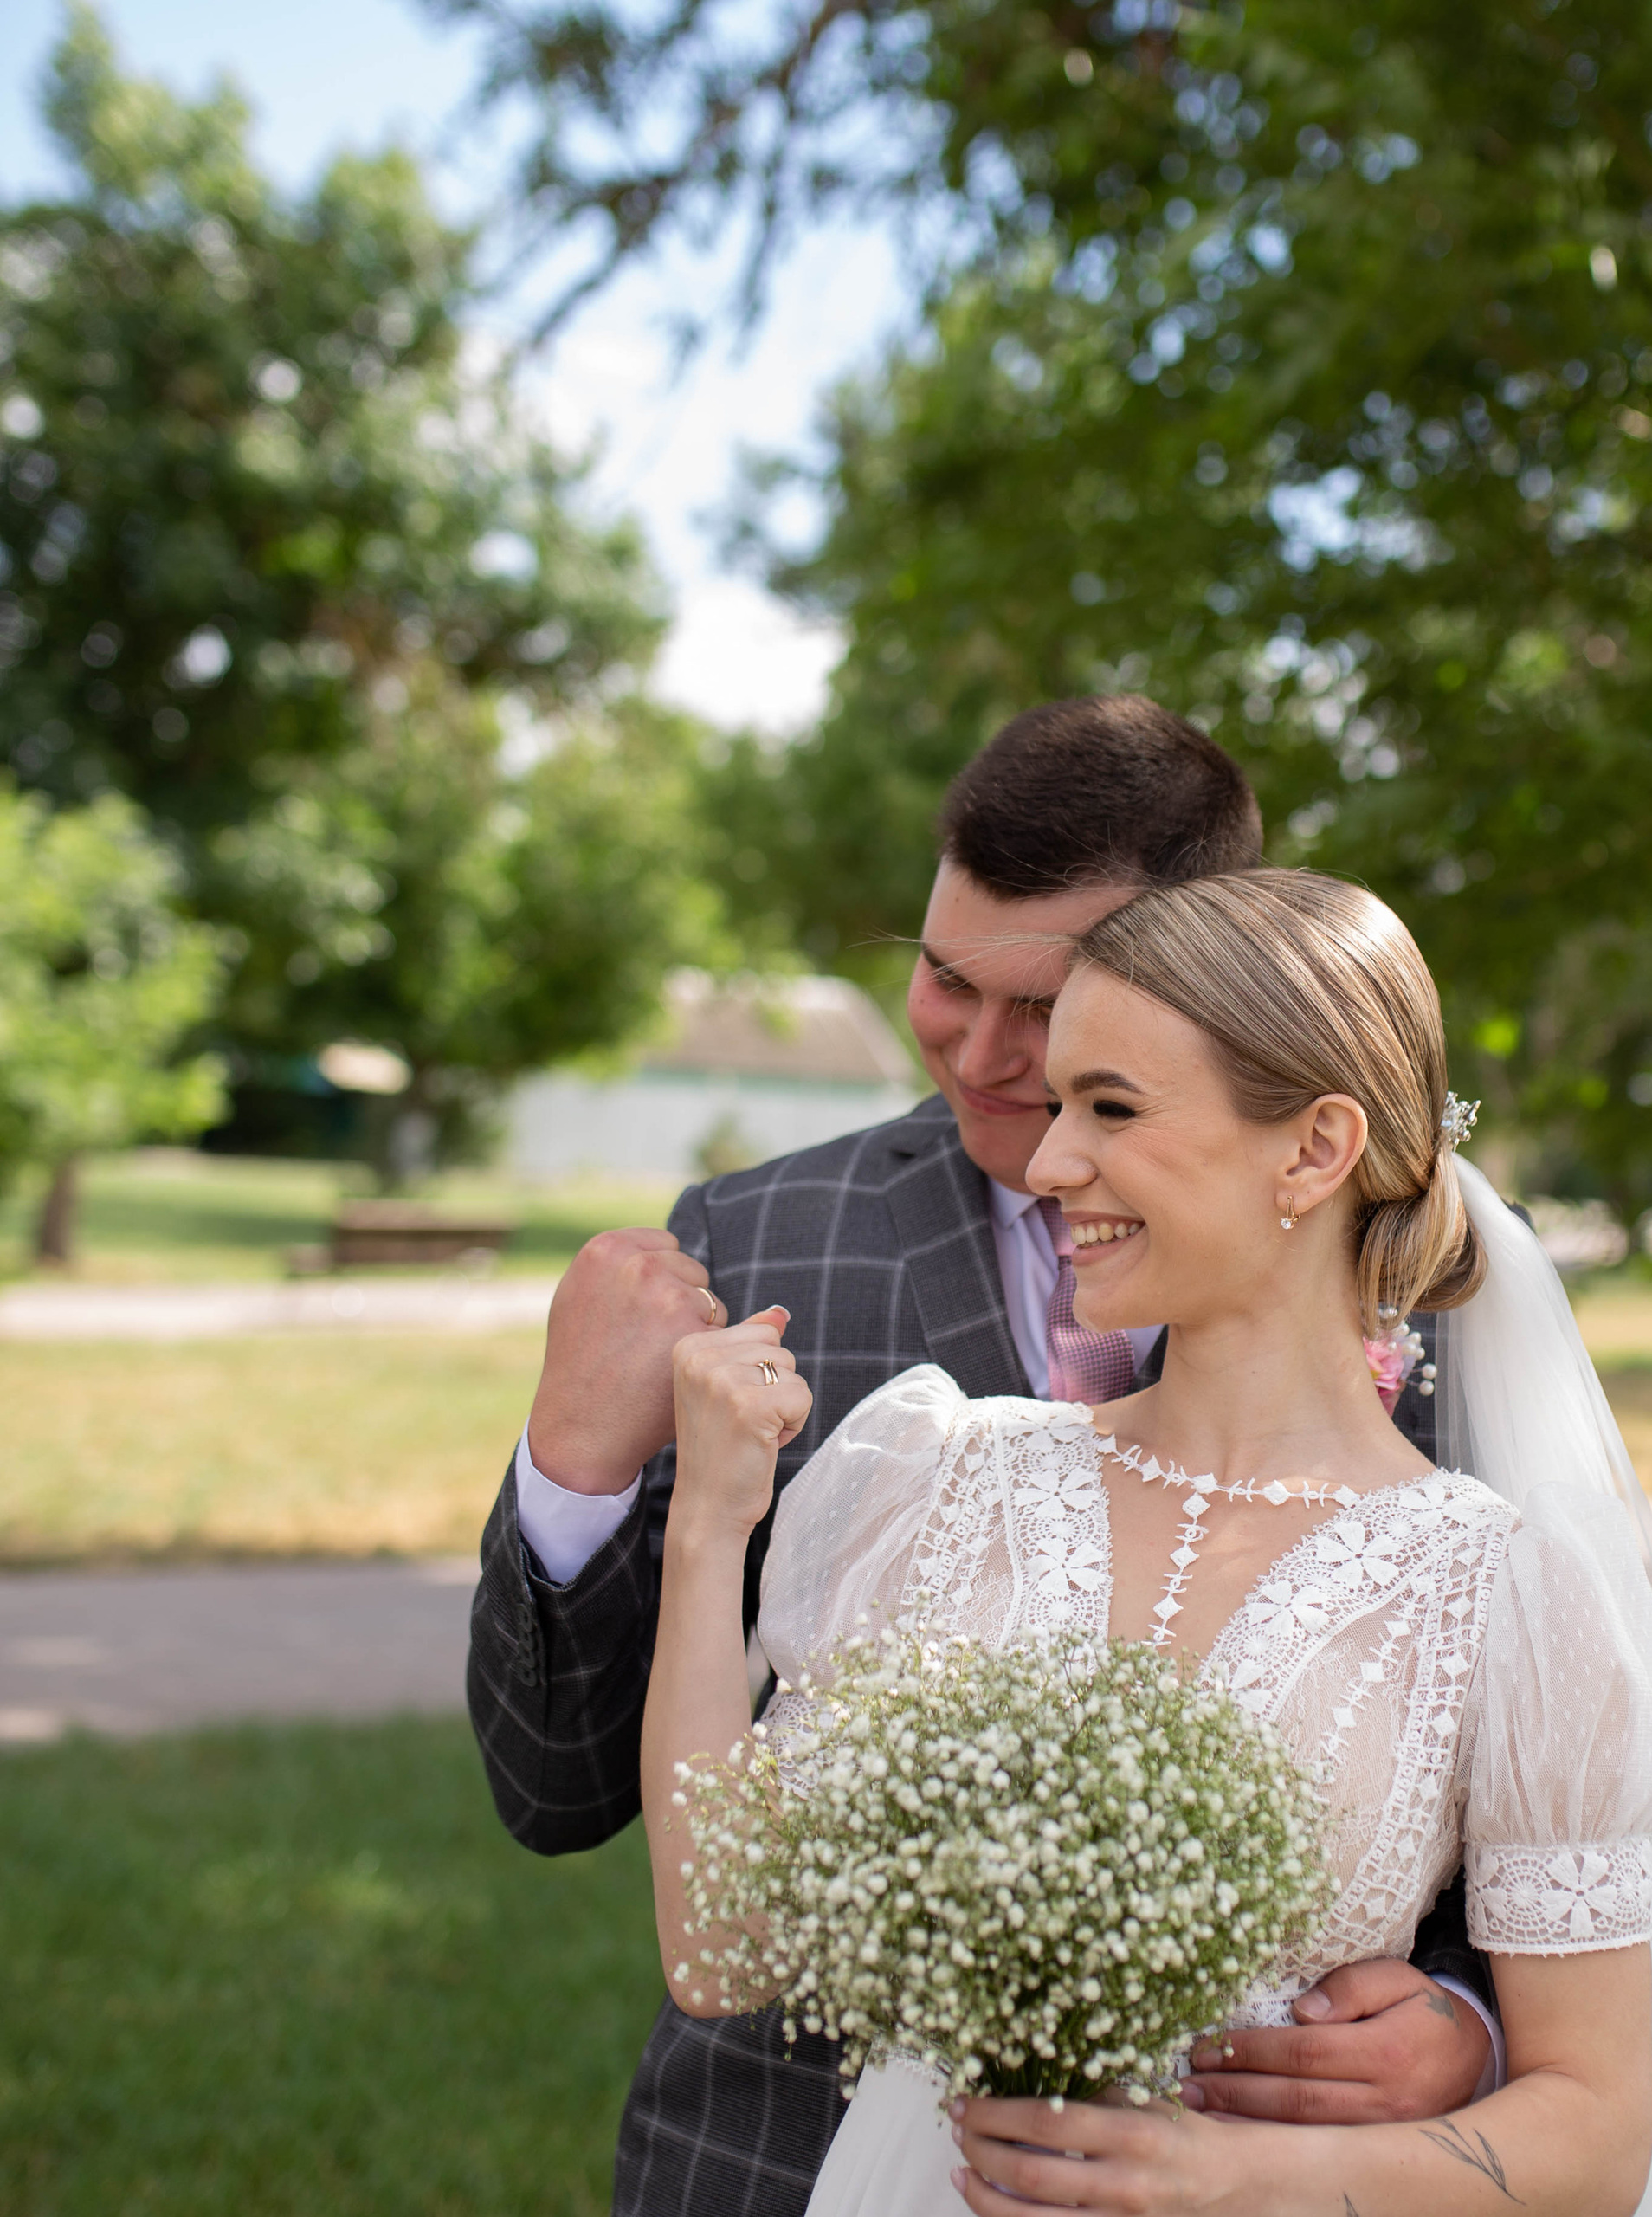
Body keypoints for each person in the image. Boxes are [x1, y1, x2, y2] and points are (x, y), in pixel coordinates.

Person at [467, 700, 1501, 2217]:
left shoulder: (1432, 1279)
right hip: (783, 2166)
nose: (989, 1054)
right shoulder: (756, 1240)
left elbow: (1505, 1752)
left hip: (1259, 2163)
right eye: (947, 982)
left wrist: (1463, 2022)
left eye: (1057, 1010)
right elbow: (553, 1792)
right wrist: (573, 1460)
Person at [645, 869, 1652, 2217]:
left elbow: (1601, 2133)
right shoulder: (942, 1483)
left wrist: (1236, 2176)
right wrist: (710, 1526)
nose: (1047, 1164)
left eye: (1111, 1108)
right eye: (1056, 1109)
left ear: (1315, 1149)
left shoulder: (1506, 1596)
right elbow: (726, 1953)